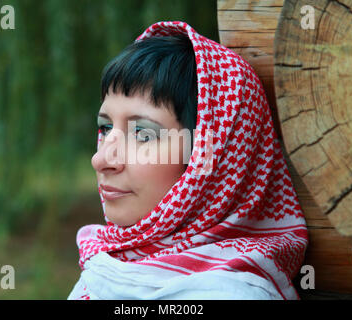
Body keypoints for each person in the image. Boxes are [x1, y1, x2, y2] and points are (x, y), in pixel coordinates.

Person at [68, 21, 308, 300]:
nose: (100, 159)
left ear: (208, 157)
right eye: (106, 128)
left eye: (143, 134)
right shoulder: (104, 269)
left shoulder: (229, 294)